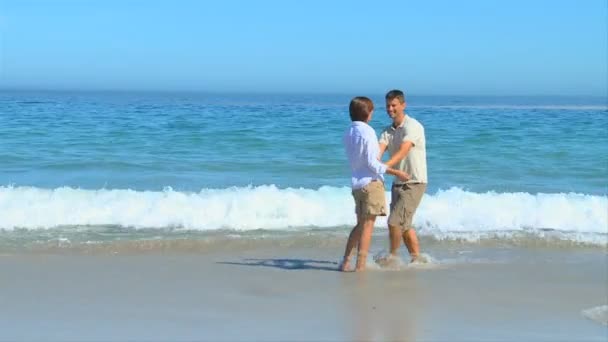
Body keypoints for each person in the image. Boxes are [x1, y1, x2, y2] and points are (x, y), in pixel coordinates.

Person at [341, 96, 409, 272]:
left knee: (360, 224)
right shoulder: (368, 131)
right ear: (368, 113)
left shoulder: (349, 131)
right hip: (371, 183)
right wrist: (396, 172)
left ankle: (346, 261)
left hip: (357, 184)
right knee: (367, 226)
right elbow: (372, 163)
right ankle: (360, 266)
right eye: (371, 110)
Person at [378, 90, 428, 263]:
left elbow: (404, 149)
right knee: (405, 226)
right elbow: (378, 153)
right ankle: (418, 259)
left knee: (394, 223)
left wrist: (385, 166)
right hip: (398, 182)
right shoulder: (387, 131)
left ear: (403, 105)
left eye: (394, 105)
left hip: (414, 182)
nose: (390, 109)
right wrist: (372, 163)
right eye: (388, 106)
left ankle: (392, 258)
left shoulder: (412, 126)